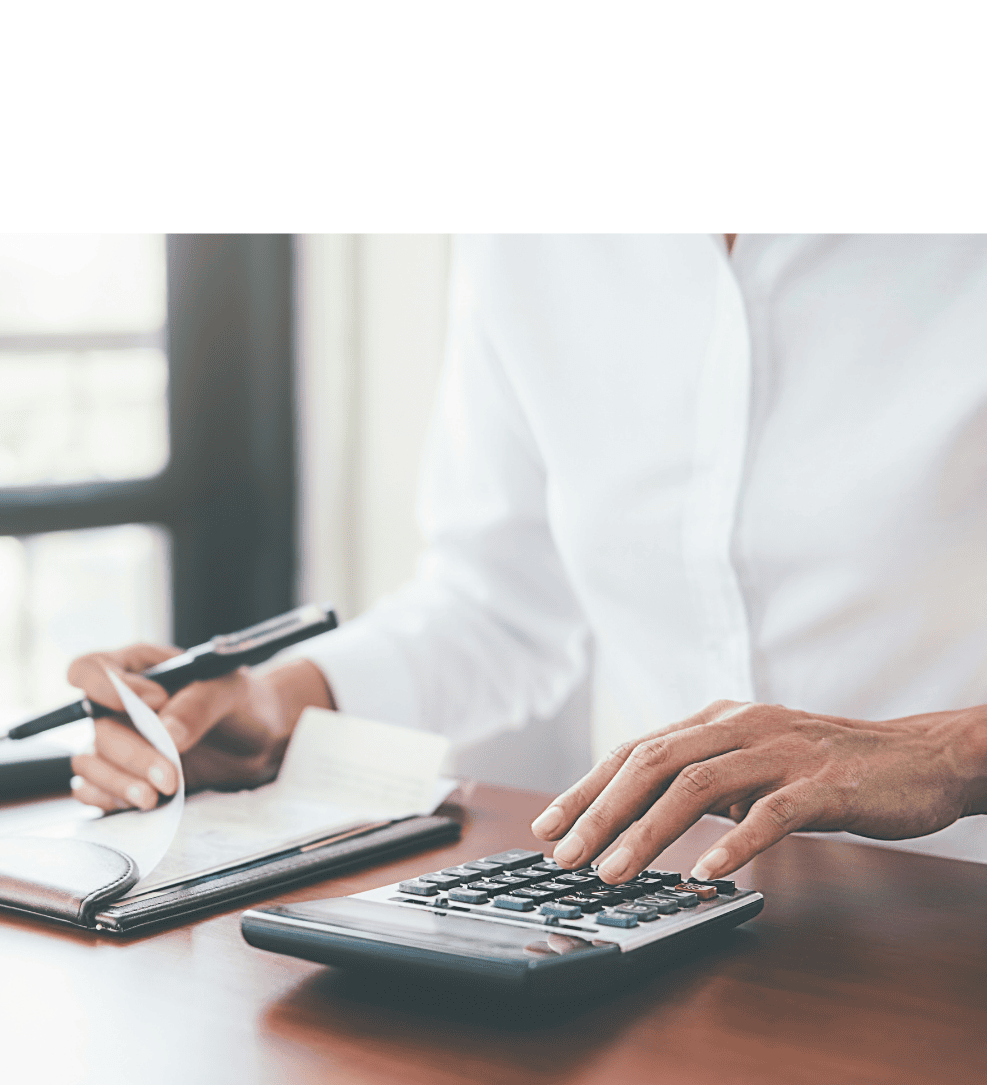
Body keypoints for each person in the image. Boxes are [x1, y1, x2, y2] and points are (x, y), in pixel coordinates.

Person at [66, 235, 987, 880]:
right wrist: (277, 705)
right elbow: (496, 605)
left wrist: (955, 753)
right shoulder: (531, 239)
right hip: (666, 919)